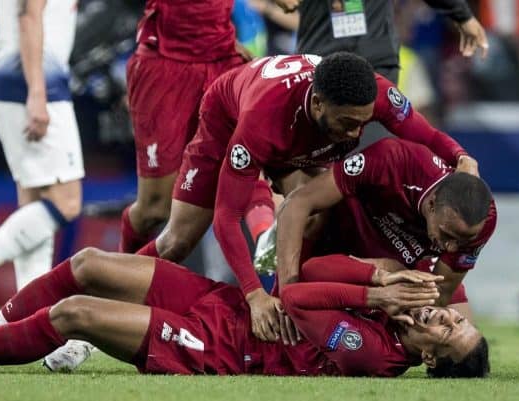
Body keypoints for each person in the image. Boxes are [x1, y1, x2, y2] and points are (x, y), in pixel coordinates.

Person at [136, 52, 479, 343]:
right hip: (228, 119)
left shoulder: (373, 94)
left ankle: (285, 302)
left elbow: (428, 134)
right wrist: (253, 296)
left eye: (363, 123)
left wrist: (462, 157)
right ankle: (107, 285)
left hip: (301, 142)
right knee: (177, 242)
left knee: (314, 214)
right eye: (347, 123)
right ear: (318, 103)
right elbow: (226, 217)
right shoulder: (261, 122)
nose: (356, 133)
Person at [0, 248, 489, 378]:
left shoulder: (374, 354)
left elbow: (294, 299)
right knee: (87, 265)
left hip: (219, 348)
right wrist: (378, 278)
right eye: (456, 319)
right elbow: (310, 268)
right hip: (227, 305)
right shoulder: (395, 301)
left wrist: (374, 298)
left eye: (447, 332)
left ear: (429, 358)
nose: (445, 318)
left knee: (74, 313)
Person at [276, 138, 497, 310]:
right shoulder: (394, 159)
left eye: (463, 241)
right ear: (431, 204)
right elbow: (298, 203)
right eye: (447, 235)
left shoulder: (481, 221)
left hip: (397, 271)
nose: (451, 248)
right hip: (336, 235)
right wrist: (287, 294)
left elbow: (439, 293)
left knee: (464, 347)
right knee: (309, 199)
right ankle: (281, 294)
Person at [118, 0, 259, 254]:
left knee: (266, 164)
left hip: (222, 59)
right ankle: (117, 281)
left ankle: (282, 273)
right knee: (154, 209)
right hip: (166, 65)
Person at [0, 2, 84, 292]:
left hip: (18, 80)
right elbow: (29, 17)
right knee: (65, 203)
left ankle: (29, 319)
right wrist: (37, 94)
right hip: (35, 84)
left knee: (33, 205)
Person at [274, 0, 489, 82]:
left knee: (373, 159)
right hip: (317, 63)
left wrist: (462, 14)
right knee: (317, 160)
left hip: (375, 63)